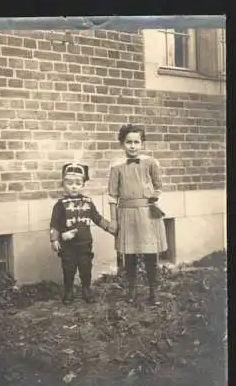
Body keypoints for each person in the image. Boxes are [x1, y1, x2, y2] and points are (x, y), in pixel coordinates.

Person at [108, 124, 168, 304]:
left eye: (136, 142)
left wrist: (152, 199)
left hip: (147, 214)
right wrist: (113, 220)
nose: (132, 146)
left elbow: (158, 186)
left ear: (142, 143)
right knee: (130, 255)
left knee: (151, 254)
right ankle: (132, 290)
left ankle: (153, 291)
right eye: (128, 142)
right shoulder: (116, 167)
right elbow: (112, 195)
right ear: (122, 144)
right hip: (126, 213)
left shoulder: (150, 162)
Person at [50, 162, 117, 305]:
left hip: (85, 243)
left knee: (85, 267)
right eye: (69, 183)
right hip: (67, 245)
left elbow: (97, 218)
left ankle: (86, 289)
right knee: (69, 269)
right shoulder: (60, 204)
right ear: (64, 184)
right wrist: (56, 239)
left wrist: (110, 228)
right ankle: (68, 291)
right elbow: (54, 224)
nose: (74, 186)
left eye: (78, 183)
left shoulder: (88, 202)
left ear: (83, 185)